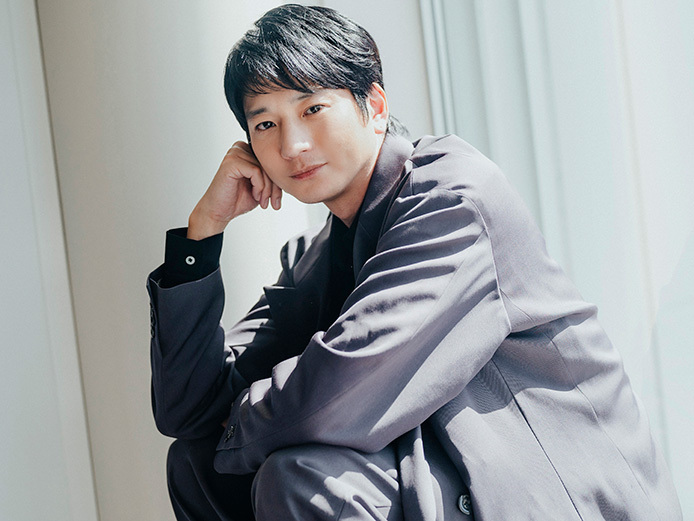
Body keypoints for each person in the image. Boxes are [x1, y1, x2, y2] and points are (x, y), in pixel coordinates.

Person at [147, 4, 681, 520]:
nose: (293, 145)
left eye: (312, 109)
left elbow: (339, 392)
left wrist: (232, 425)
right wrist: (203, 235)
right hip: (448, 480)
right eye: (266, 125)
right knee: (196, 466)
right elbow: (187, 413)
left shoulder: (452, 199)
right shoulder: (317, 257)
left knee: (299, 479)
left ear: (375, 106)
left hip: (550, 495)